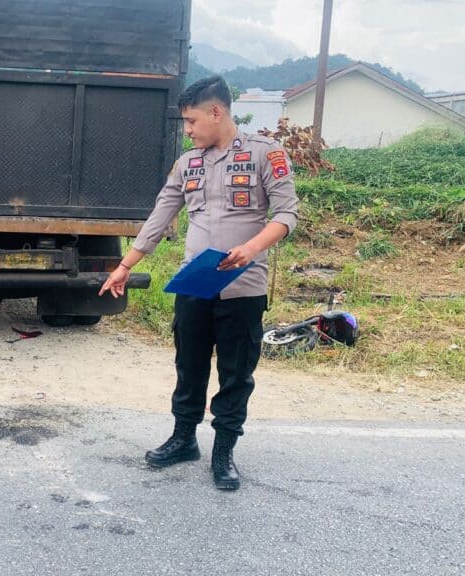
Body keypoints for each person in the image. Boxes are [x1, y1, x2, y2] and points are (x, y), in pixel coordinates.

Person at [99, 76, 299, 492]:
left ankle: (223, 451)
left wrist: (251, 248)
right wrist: (124, 265)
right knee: (188, 365)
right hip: (195, 283)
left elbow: (286, 215)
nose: (187, 130)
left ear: (216, 112)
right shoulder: (187, 163)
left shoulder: (267, 154)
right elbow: (160, 217)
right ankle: (183, 439)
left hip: (244, 285)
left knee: (236, 372)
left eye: (191, 121)